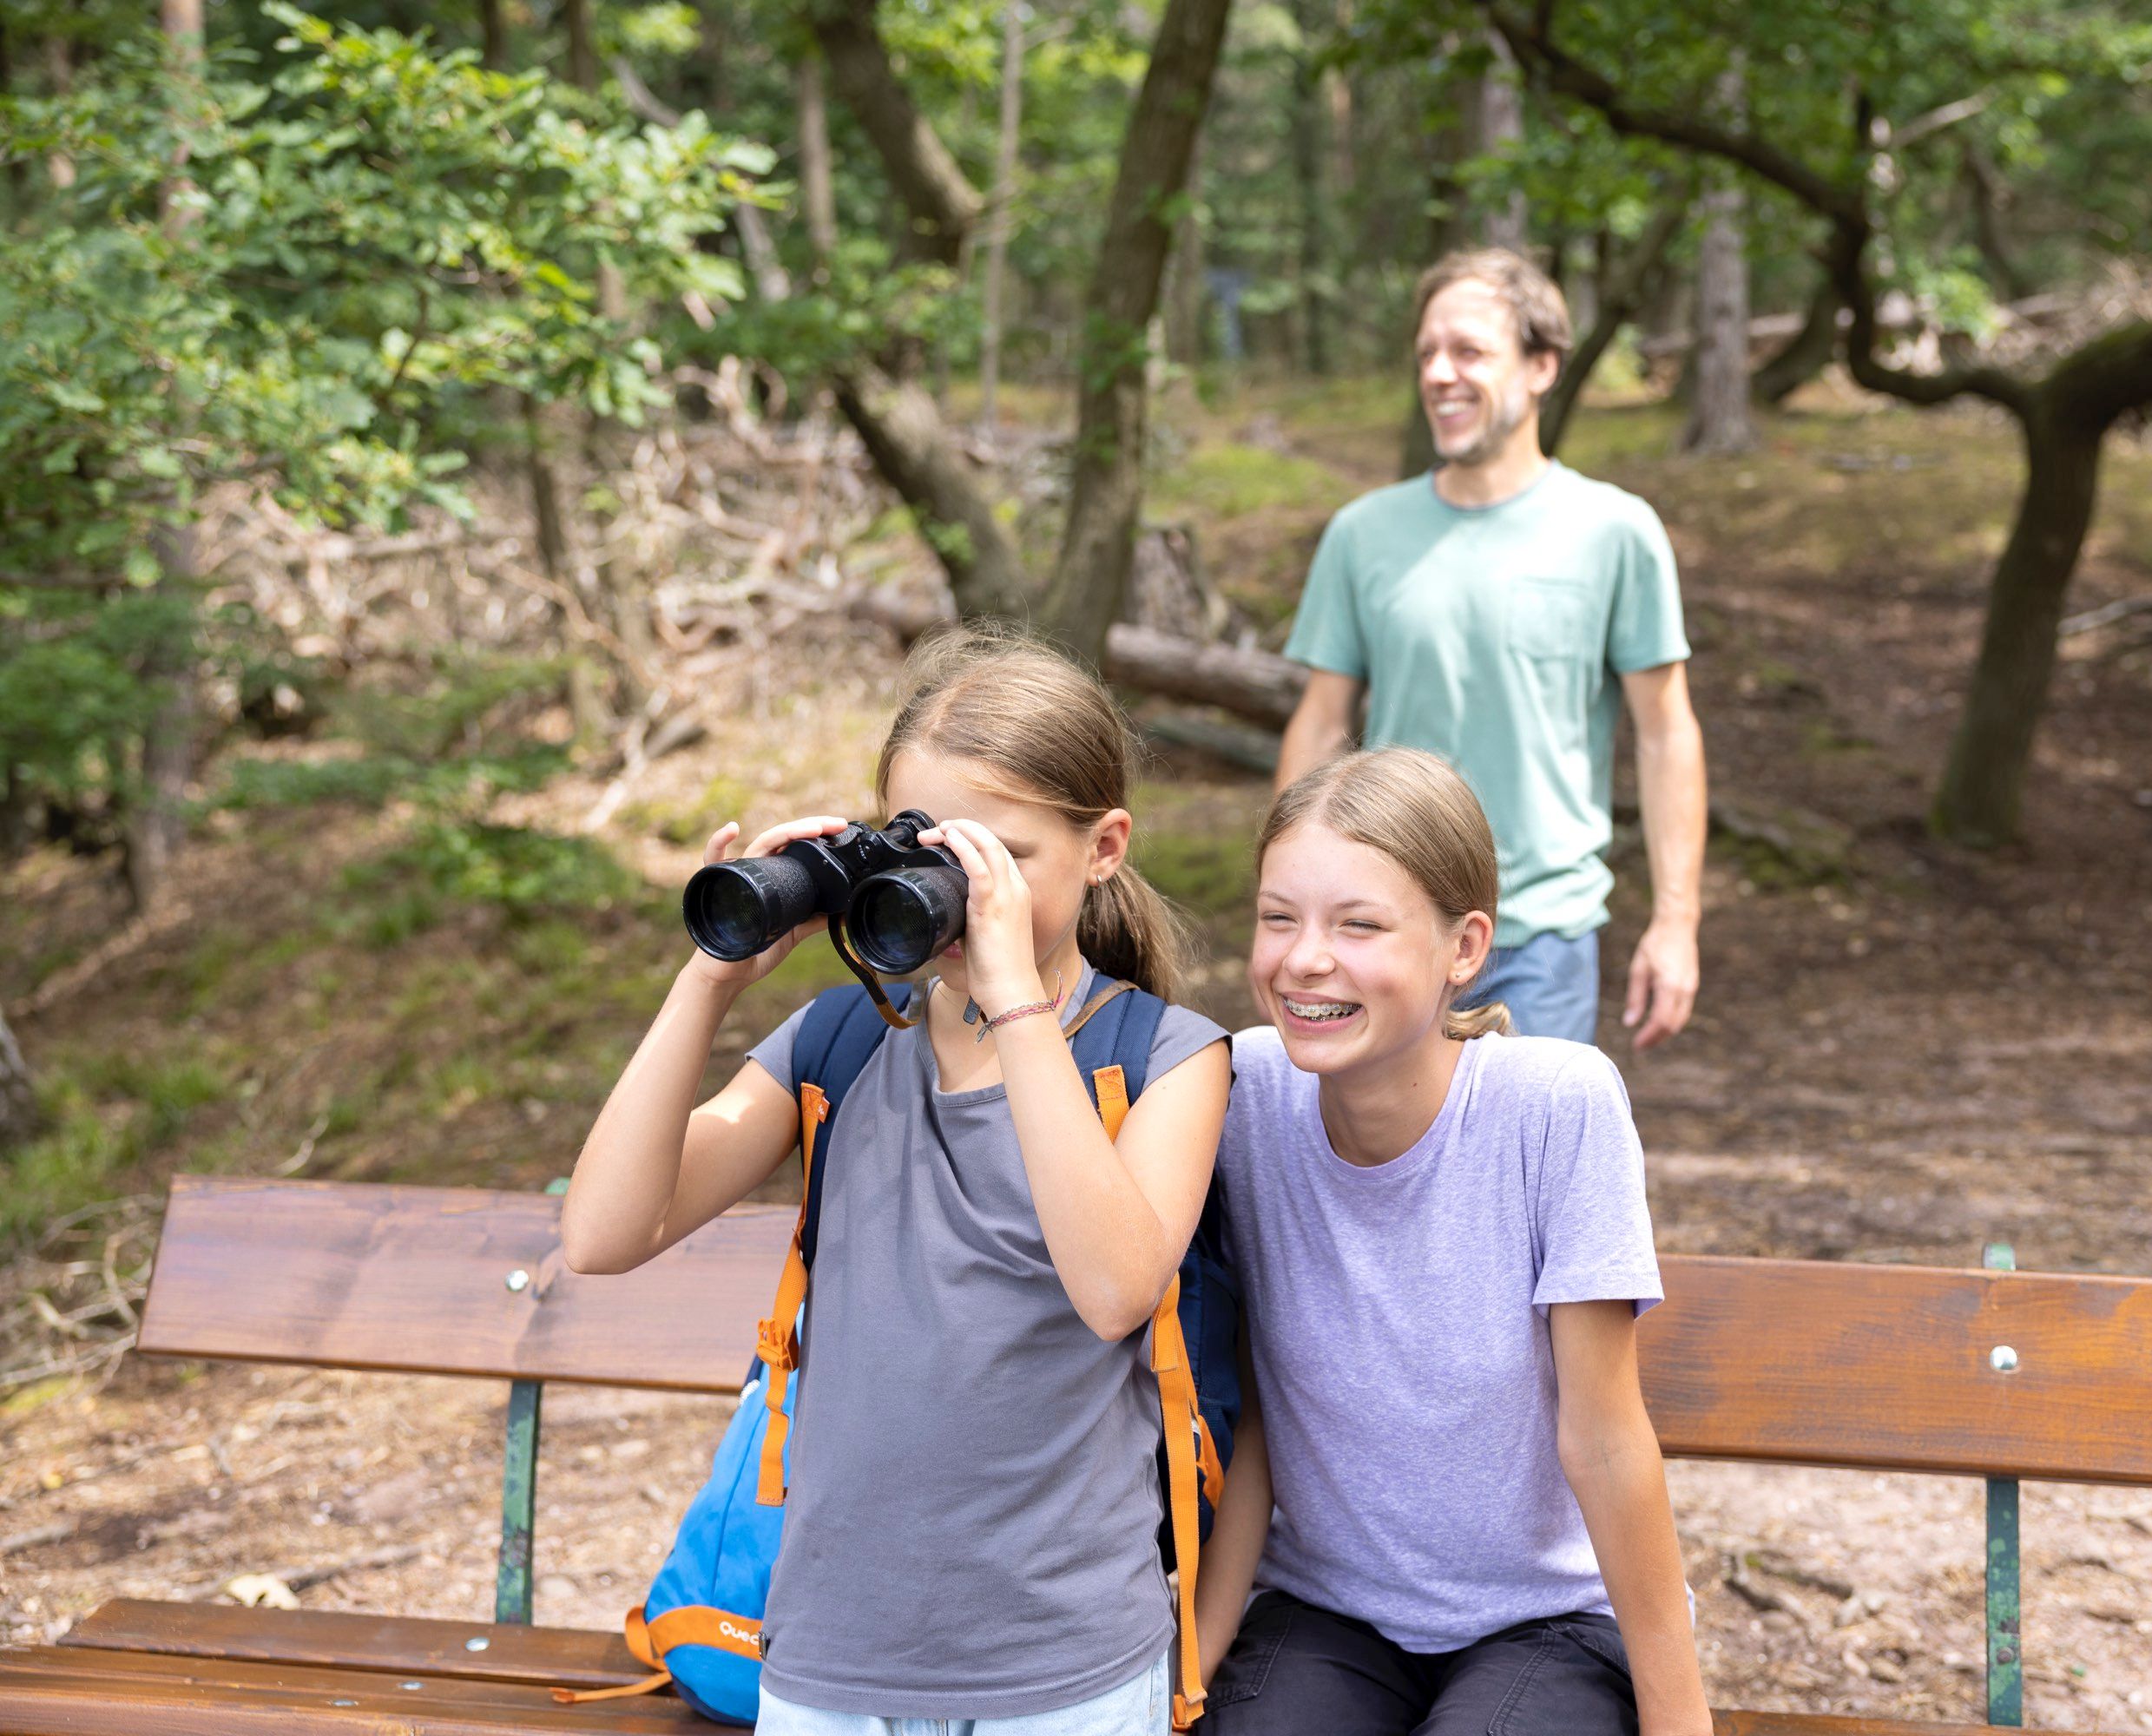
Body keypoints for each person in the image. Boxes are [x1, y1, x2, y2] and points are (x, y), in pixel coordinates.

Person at [558, 629, 1232, 1736]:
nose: (958, 896)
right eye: (926, 852)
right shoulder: (844, 1042)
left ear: (1104, 846)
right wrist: (709, 980)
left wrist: (1017, 1004)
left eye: (1000, 859)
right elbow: (601, 1232)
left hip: (1061, 1673)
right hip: (830, 1662)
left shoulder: (1165, 1057)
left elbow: (1115, 1288)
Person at [1190, 748, 1710, 1736]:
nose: (1305, 958)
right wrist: (1187, 1670)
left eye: (1359, 924)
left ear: (1464, 946)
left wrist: (1678, 1719)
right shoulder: (1239, 1094)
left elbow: (1605, 1440)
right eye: (1279, 917)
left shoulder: (1555, 1105)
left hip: (1547, 1618)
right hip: (1328, 1612)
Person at [1273, 247, 1708, 1049]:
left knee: (1520, 1138)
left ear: (1542, 366)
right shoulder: (1363, 534)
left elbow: (1665, 731)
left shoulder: (1615, 532)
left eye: (1469, 351)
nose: (1440, 373)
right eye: (1427, 354)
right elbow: (1322, 721)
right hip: (1384, 930)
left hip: (1542, 937)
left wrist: (1676, 921)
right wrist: (1287, 912)